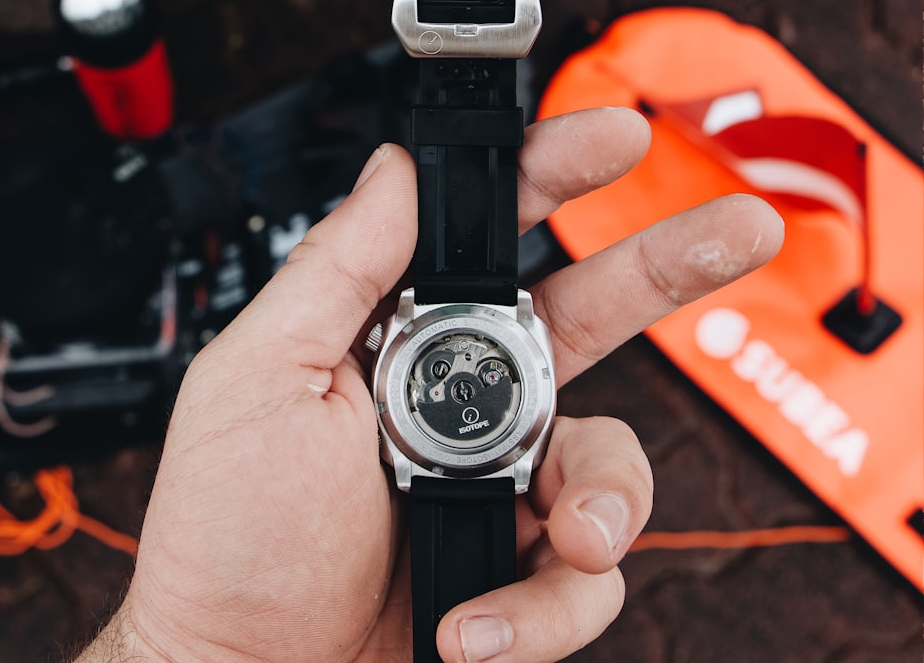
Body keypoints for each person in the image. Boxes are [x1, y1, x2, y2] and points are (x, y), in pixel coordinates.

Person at [73, 107, 784, 663]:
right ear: (387, 356)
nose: (461, 385)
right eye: (442, 373)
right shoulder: (410, 349)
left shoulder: (442, 349)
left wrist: (185, 655)